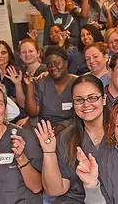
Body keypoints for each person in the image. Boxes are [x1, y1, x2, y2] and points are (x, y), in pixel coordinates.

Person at [33, 75, 109, 203]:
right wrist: (49, 151)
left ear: (104, 99)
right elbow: (56, 190)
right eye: (79, 100)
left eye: (92, 98)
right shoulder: (66, 137)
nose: (86, 104)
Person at [25, 46, 79, 134]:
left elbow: (82, 113)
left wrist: (65, 125)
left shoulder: (77, 83)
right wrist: (29, 86)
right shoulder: (41, 82)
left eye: (57, 63)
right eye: (49, 65)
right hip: (44, 128)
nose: (53, 67)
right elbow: (33, 112)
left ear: (66, 63)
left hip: (71, 128)